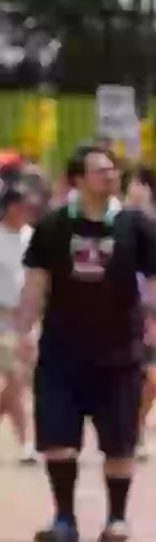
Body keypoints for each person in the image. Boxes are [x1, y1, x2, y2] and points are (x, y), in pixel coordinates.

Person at [13, 145, 156, 542]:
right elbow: (36, 285)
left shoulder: (136, 225)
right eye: (100, 170)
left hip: (120, 351)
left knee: (120, 440)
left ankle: (117, 517)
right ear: (77, 180)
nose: (110, 176)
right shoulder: (52, 226)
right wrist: (22, 334)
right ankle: (64, 519)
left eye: (112, 169)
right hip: (61, 351)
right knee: (56, 439)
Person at [0, 185, 37, 463]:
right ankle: (26, 443)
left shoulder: (33, 238)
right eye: (22, 206)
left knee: (23, 381)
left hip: (30, 318)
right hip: (3, 318)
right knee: (15, 378)